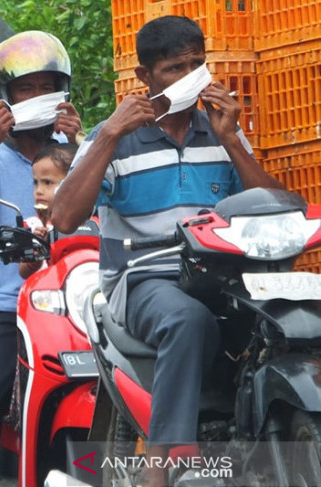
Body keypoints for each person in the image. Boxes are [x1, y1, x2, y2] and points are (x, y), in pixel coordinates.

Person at [51, 16, 283, 487]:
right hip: (141, 278)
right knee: (187, 319)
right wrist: (111, 135)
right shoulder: (112, 139)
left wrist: (231, 141)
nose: (191, 77)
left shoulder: (221, 132)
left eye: (198, 64)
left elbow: (274, 210)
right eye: (175, 68)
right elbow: (63, 217)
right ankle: (163, 465)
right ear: (145, 78)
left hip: (219, 275)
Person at [0, 31, 83, 487]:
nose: (39, 97)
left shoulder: (79, 150)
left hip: (79, 302)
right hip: (10, 306)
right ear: (5, 96)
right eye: (27, 89)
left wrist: (82, 145)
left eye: (48, 87)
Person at [19, 142, 78, 279]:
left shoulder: (92, 223)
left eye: (47, 183)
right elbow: (23, 272)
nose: (39, 191)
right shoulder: (32, 226)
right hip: (43, 295)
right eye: (36, 183)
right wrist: (38, 249)